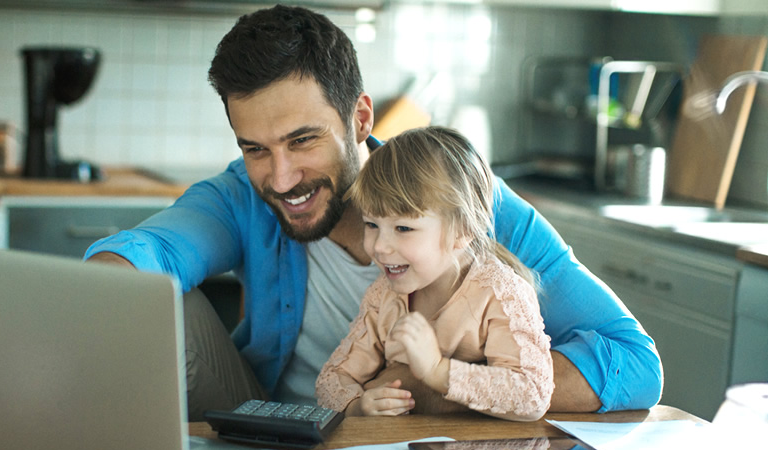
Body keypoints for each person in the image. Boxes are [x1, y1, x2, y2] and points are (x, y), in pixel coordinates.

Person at [84, 5, 662, 421]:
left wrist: (431, 387)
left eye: (303, 140)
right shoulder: (240, 195)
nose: (280, 179)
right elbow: (156, 248)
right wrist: (95, 290)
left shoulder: (465, 200)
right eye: (255, 148)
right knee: (160, 297)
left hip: (421, 442)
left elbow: (634, 362)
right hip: (273, 426)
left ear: (360, 119)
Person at [315, 126, 553, 421]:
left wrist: (437, 371)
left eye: (403, 228)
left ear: (462, 231)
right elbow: (331, 380)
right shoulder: (383, 296)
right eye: (371, 224)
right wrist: (357, 406)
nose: (379, 246)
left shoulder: (501, 293)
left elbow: (533, 395)